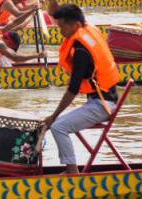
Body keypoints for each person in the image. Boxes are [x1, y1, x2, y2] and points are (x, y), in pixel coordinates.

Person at [42, 4, 120, 174]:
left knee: (58, 127)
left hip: (103, 105)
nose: (60, 30)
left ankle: (72, 172)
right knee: (58, 124)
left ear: (75, 25)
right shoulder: (88, 29)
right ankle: (71, 170)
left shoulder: (81, 52)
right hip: (104, 100)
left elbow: (73, 89)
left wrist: (53, 117)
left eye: (62, 26)